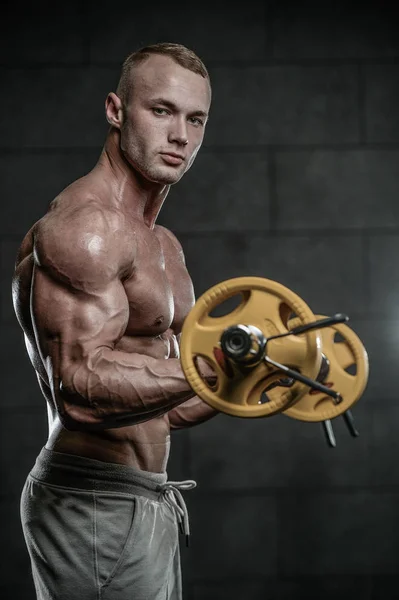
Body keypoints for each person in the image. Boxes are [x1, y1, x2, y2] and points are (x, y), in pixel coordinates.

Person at [12, 42, 219, 600]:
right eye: (162, 110)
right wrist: (215, 372)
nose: (181, 134)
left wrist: (261, 374)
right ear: (115, 110)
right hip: (93, 504)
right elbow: (78, 389)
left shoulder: (162, 244)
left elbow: (164, 408)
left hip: (145, 496)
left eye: (195, 118)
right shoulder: (87, 228)